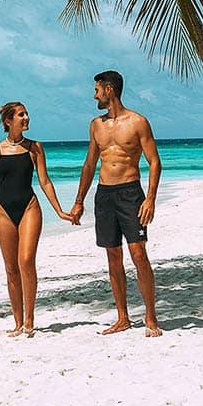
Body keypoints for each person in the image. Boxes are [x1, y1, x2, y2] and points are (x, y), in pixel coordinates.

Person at [70, 70, 163, 337]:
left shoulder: (138, 122)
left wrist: (150, 199)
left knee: (138, 254)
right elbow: (89, 164)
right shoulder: (96, 125)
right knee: (113, 256)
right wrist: (79, 201)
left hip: (130, 193)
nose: (95, 95)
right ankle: (123, 317)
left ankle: (150, 317)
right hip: (104, 195)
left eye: (97, 90)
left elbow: (154, 162)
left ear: (109, 89)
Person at [0, 101, 77, 337]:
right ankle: (17, 323)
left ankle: (30, 319)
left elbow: (44, 181)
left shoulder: (35, 148)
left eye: (26, 114)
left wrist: (59, 211)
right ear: (8, 121)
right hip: (3, 211)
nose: (26, 118)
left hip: (29, 208)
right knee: (11, 269)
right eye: (21, 115)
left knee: (26, 261)